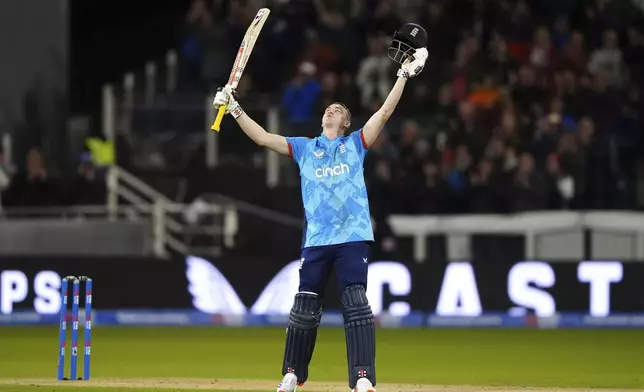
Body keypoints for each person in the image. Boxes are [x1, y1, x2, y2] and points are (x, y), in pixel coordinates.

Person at [213, 23, 428, 392]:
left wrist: (403, 75)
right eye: (328, 108)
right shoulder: (304, 148)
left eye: (338, 109)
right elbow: (264, 138)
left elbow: (385, 112)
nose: (330, 110)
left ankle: (362, 379)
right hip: (316, 239)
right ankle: (292, 375)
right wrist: (234, 108)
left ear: (345, 122)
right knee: (304, 310)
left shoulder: (356, 144)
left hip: (352, 235)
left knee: (356, 304)